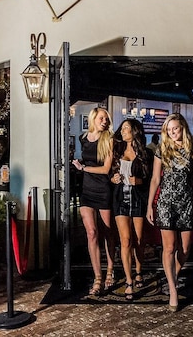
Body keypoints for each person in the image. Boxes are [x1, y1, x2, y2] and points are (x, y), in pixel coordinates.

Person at [147, 113, 193, 312]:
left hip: (187, 201)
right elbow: (155, 179)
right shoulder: (161, 150)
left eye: (176, 128)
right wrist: (150, 205)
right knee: (169, 248)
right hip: (166, 202)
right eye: (169, 129)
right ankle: (173, 289)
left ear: (183, 127)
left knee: (185, 248)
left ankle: (171, 275)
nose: (173, 132)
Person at [71, 107, 116, 296]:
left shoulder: (109, 139)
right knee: (91, 232)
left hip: (103, 189)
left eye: (106, 118)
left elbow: (106, 169)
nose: (104, 121)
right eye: (101, 118)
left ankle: (110, 270)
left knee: (107, 232)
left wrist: (84, 169)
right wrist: (79, 166)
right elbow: (85, 161)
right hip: (87, 190)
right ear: (93, 119)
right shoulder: (83, 138)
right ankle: (97, 276)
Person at [110, 119, 151, 301]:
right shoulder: (117, 150)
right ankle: (128, 281)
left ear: (135, 131)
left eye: (127, 128)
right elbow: (110, 173)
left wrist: (139, 181)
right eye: (123, 128)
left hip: (138, 199)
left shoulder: (146, 153)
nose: (123, 130)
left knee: (139, 240)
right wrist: (114, 178)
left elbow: (151, 179)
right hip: (120, 199)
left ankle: (139, 271)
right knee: (125, 241)